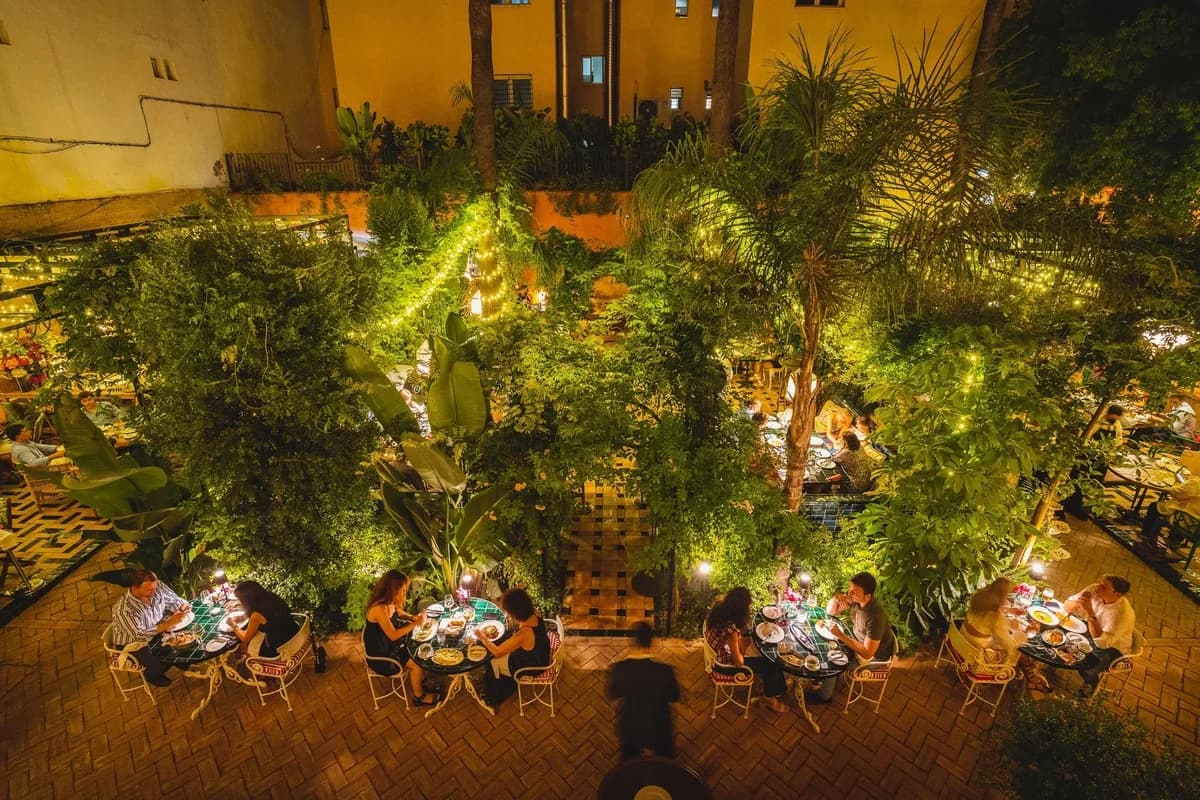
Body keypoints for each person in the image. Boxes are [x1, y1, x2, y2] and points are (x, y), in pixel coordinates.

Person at [810, 572, 895, 703]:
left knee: (833, 662)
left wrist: (840, 635)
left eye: (853, 592)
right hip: (857, 639)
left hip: (875, 658)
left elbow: (867, 653)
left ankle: (824, 696)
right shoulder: (857, 600)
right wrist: (835, 599)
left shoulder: (875, 617)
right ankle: (826, 677)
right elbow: (830, 613)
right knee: (827, 643)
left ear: (867, 596)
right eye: (849, 589)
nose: (849, 594)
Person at [704, 587, 788, 713]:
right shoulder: (731, 629)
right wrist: (742, 645)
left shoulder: (720, 607)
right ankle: (769, 698)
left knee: (767, 659)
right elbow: (738, 663)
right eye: (748, 606)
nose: (750, 608)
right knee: (771, 663)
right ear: (740, 608)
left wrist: (741, 640)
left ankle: (774, 689)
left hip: (718, 652)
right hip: (724, 666)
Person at [363, 570, 439, 706]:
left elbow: (398, 611)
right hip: (382, 656)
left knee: (419, 646)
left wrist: (412, 617)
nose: (405, 593)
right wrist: (416, 623)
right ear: (393, 589)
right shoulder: (379, 609)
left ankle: (421, 681)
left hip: (391, 644)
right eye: (403, 590)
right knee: (417, 662)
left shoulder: (389, 600)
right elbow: (393, 635)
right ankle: (419, 697)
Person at [608, 622, 680, 760]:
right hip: (659, 726)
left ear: (633, 642)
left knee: (627, 764)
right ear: (651, 642)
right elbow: (674, 696)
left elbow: (613, 693)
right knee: (667, 762)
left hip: (631, 726)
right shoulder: (665, 671)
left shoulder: (619, 670)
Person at [109, 569, 192, 687]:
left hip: (155, 627)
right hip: (133, 643)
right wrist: (168, 624)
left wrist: (182, 607)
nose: (154, 591)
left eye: (155, 587)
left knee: (181, 640)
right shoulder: (124, 610)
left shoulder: (156, 587)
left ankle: (177, 660)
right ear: (134, 588)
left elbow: (173, 600)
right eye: (148, 590)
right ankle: (152, 675)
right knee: (159, 662)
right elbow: (139, 634)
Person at [474, 587, 552, 706]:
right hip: (541, 653)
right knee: (501, 640)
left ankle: (494, 696)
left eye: (508, 612)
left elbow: (498, 652)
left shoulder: (525, 633)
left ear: (515, 612)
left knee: (490, 659)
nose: (507, 614)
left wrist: (482, 637)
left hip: (533, 666)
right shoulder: (533, 614)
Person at [1063, 575, 1135, 695]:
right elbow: (1067, 606)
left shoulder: (1122, 614)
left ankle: (1091, 682)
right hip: (1092, 631)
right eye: (1100, 583)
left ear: (1117, 594)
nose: (1098, 587)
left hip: (1113, 648)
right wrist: (1078, 602)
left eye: (1104, 587)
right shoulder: (1094, 589)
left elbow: (1103, 643)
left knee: (1086, 667)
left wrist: (1090, 612)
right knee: (1064, 637)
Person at [228, 580, 302, 659]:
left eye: (240, 599)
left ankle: (248, 659)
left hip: (281, 646)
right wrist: (239, 604)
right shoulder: (270, 596)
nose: (239, 601)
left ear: (247, 599)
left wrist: (233, 624)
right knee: (253, 637)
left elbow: (245, 638)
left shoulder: (256, 614)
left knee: (245, 644)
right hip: (294, 631)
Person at [961, 577, 1024, 663]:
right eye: (1006, 595)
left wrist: (1008, 610)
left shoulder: (979, 598)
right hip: (978, 649)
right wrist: (1025, 633)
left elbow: (988, 611)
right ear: (1003, 596)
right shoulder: (996, 617)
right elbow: (1007, 643)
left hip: (963, 635)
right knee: (1018, 642)